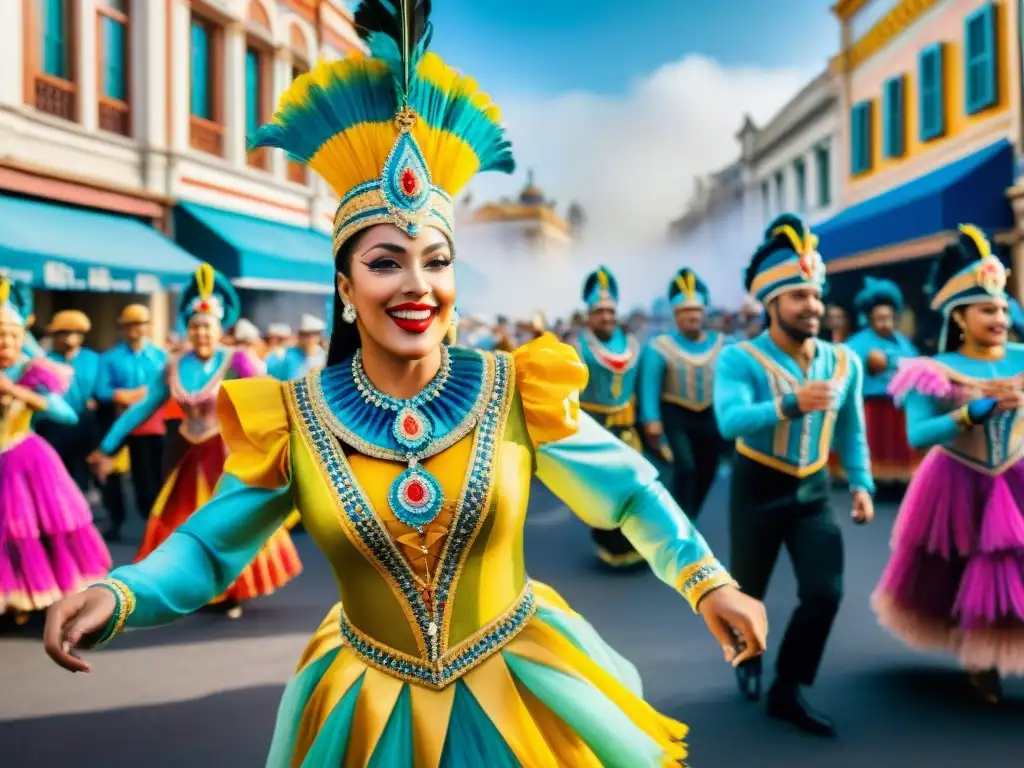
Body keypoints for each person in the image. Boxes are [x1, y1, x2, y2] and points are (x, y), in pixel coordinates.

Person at [43, 9, 767, 765]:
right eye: (386, 262)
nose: (418, 285)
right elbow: (208, 549)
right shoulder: (294, 418)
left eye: (437, 261)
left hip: (523, 694)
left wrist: (707, 583)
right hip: (370, 712)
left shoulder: (517, 386)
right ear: (346, 288)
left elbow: (626, 494)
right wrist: (122, 594)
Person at [713, 213, 874, 736]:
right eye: (798, 296)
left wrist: (861, 484)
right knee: (746, 592)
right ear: (771, 302)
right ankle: (748, 657)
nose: (812, 306)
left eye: (815, 295)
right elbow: (729, 421)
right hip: (756, 489)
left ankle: (788, 688)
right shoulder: (740, 358)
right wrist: (790, 404)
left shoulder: (843, 361)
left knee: (826, 592)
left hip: (812, 494)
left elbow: (852, 429)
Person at [87, 264, 301, 619]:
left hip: (227, 455)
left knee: (227, 523)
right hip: (186, 454)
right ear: (187, 328)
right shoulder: (172, 365)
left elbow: (272, 396)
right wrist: (108, 446)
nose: (202, 333)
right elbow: (141, 410)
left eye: (208, 327)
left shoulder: (237, 360)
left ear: (220, 329)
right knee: (180, 523)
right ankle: (186, 588)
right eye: (196, 326)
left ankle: (230, 591)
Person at [873, 225, 1024, 704]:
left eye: (1002, 308)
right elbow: (917, 435)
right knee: (966, 570)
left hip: (1017, 472)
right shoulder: (930, 370)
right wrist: (969, 413)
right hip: (959, 480)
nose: (999, 316)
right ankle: (981, 660)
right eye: (987, 309)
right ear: (960, 317)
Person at [0, 278, 111, 624]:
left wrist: (19, 393)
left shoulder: (31, 371)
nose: (5, 342)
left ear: (22, 340)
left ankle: (44, 603)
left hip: (27, 460)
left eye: (12, 337)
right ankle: (13, 602)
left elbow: (65, 413)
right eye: (0, 336)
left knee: (36, 534)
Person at [639, 268, 727, 520]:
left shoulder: (723, 344)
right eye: (685, 312)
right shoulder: (660, 347)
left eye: (696, 311)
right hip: (676, 415)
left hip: (710, 415)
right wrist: (651, 419)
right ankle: (677, 519)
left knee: (708, 469)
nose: (692, 316)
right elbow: (650, 386)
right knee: (685, 468)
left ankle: (690, 517)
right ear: (676, 315)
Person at [574, 266, 646, 568]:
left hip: (629, 431)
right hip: (594, 430)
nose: (605, 316)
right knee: (602, 495)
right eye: (599, 310)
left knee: (633, 490)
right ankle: (610, 548)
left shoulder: (632, 345)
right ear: (589, 314)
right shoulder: (577, 347)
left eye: (609, 310)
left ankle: (637, 545)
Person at [95, 304, 169, 541]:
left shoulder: (160, 357)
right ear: (122, 329)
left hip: (149, 427)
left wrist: (140, 396)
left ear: (147, 327)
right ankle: (114, 519)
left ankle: (154, 524)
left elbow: (163, 391)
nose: (135, 330)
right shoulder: (110, 358)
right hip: (117, 422)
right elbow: (102, 390)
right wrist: (125, 395)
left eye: (139, 324)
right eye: (129, 325)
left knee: (147, 477)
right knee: (109, 475)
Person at [844, 278, 920, 487]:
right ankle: (874, 481)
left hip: (900, 406)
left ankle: (899, 480)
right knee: (875, 444)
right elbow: (847, 369)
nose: (884, 323)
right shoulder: (857, 343)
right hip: (873, 406)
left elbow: (915, 364)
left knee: (899, 446)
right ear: (870, 319)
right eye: (879, 318)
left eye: (888, 318)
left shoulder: (902, 342)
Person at [38, 310, 102, 493]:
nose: (66, 338)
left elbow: (102, 390)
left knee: (81, 471)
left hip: (85, 422)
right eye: (61, 333)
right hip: (52, 425)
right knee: (53, 470)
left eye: (71, 333)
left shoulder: (93, 359)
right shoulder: (45, 360)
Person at [269, 314, 327, 380]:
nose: (310, 338)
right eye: (306, 335)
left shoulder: (324, 354)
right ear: (300, 336)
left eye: (315, 334)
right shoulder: (291, 354)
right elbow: (291, 378)